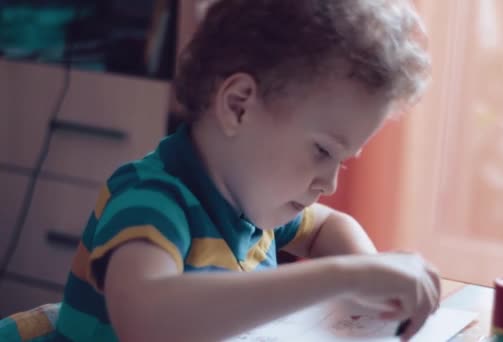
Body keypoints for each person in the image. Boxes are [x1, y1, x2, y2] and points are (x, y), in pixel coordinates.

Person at [52, 0, 440, 341]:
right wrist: (344, 276)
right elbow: (147, 322)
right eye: (322, 150)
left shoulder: (252, 203)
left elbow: (328, 227)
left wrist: (366, 269)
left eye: (341, 161)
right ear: (238, 106)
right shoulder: (149, 200)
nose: (329, 182)